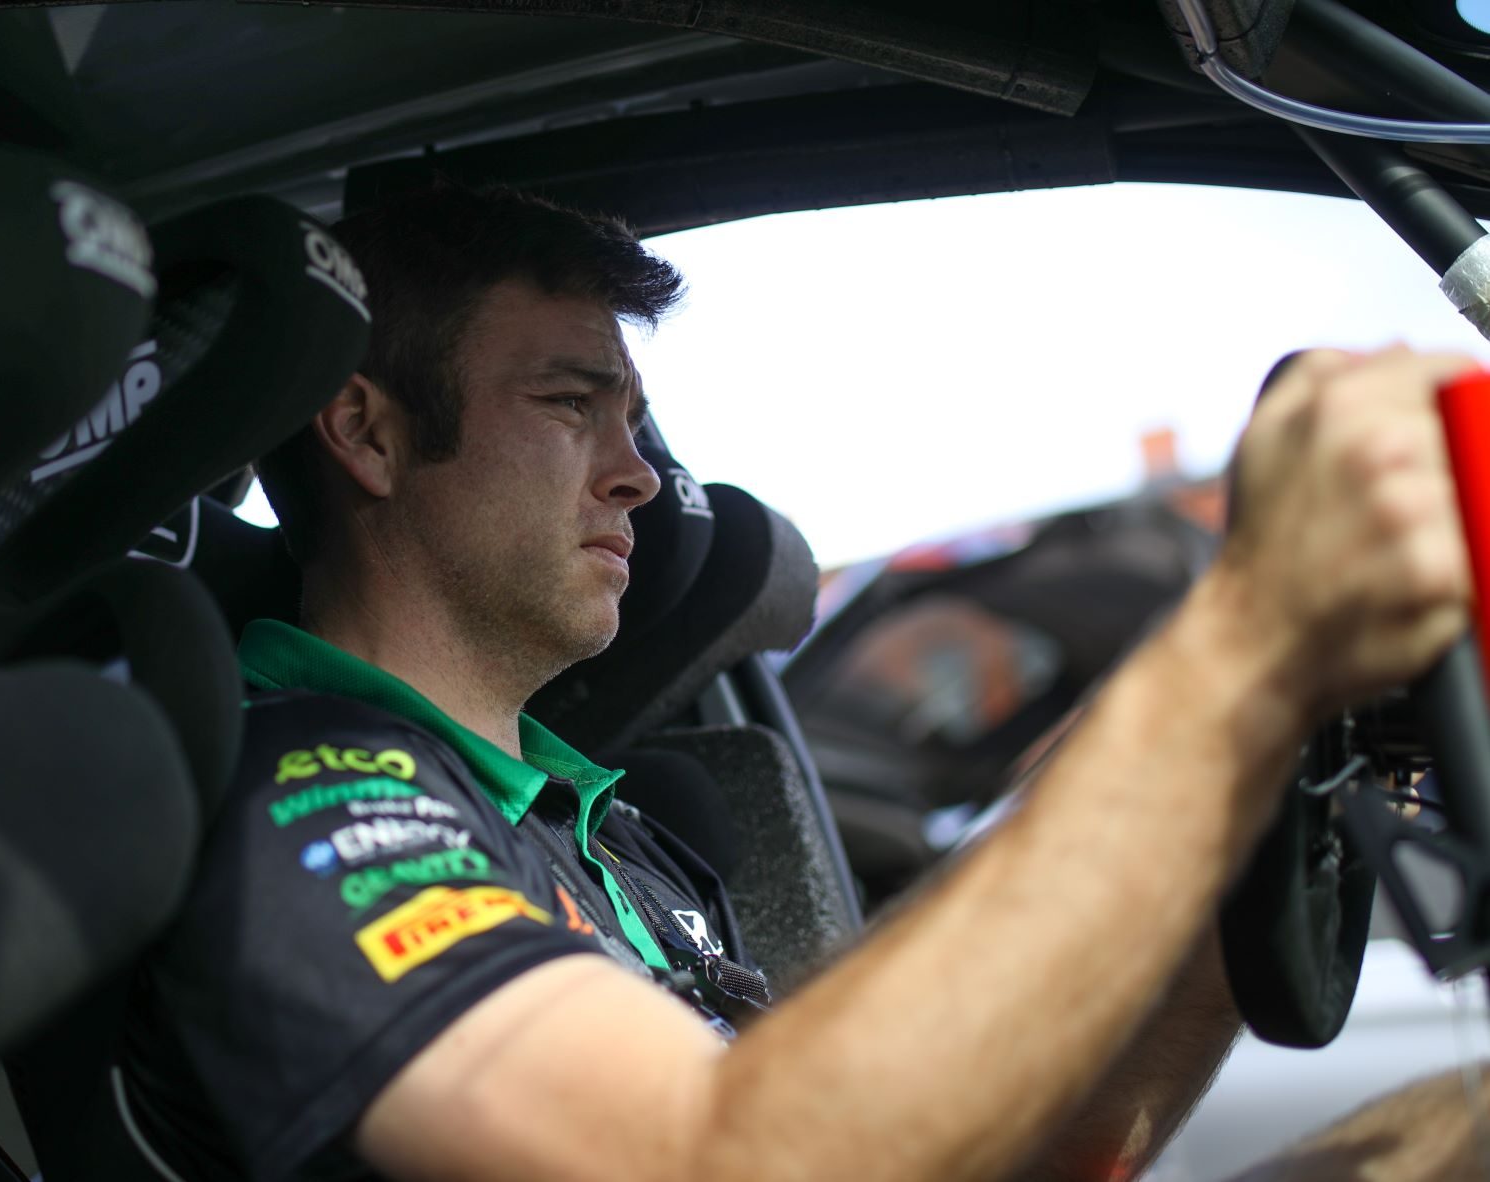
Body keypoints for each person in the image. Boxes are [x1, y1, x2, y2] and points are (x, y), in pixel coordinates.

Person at [116, 182, 1487, 1182]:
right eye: (567, 404)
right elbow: (712, 1159)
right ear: (366, 428)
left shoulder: (622, 838)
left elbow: (999, 1151)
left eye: (633, 419)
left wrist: (1263, 800)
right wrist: (1240, 655)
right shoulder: (303, 798)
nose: (637, 474)